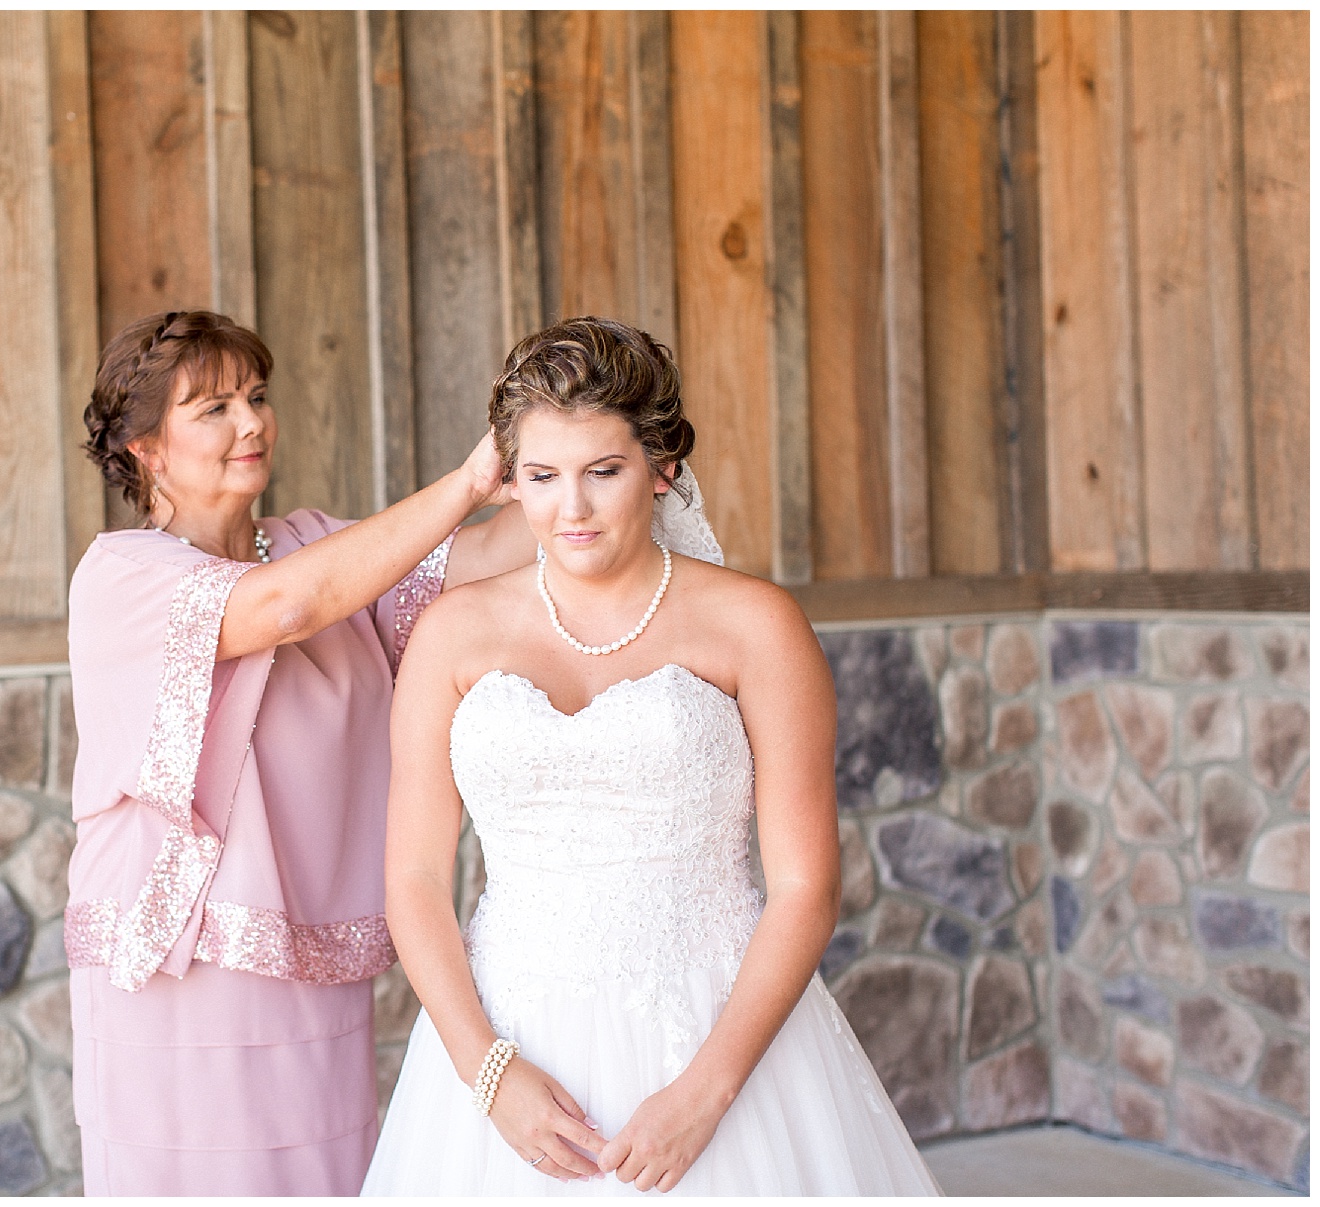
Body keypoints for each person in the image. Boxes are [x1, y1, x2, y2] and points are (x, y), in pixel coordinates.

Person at [362, 317, 942, 1195]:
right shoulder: (451, 635)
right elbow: (412, 876)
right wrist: (488, 1074)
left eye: (604, 471)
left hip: (714, 1032)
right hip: (508, 1046)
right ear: (509, 481)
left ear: (663, 467)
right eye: (543, 476)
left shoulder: (756, 626)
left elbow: (805, 887)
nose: (573, 509)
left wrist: (705, 1094)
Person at [64, 309, 533, 1195]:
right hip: (180, 966)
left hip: (308, 962)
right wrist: (469, 480)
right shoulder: (121, 576)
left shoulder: (319, 543)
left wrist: (567, 454)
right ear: (145, 451)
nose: (251, 422)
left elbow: (490, 557)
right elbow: (283, 609)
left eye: (257, 396)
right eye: (212, 408)